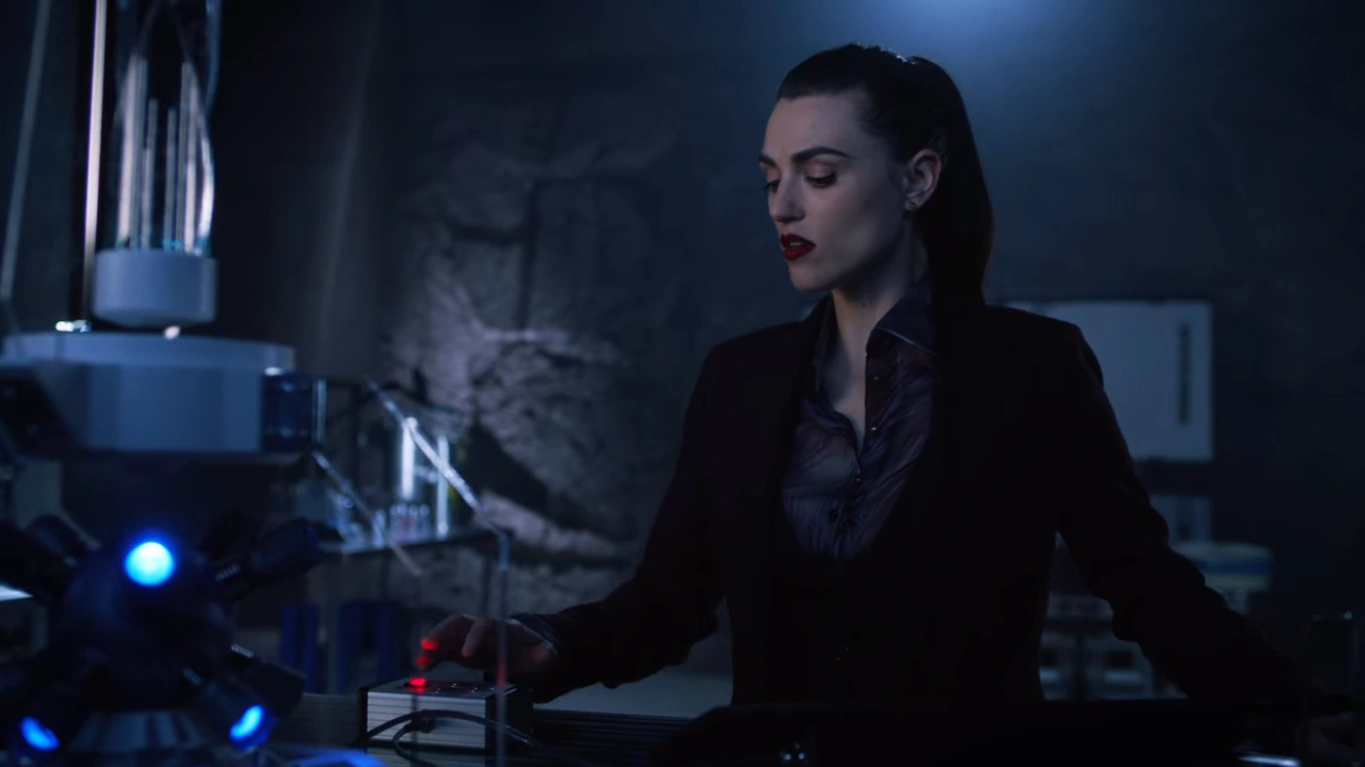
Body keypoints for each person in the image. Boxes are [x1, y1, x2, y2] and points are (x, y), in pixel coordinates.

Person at [418, 43, 1349, 751]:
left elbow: (1142, 581)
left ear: (917, 179)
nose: (783, 206)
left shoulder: (1031, 367)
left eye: (819, 175)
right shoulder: (739, 378)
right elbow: (670, 599)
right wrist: (550, 644)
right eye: (771, 178)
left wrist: (1299, 712)